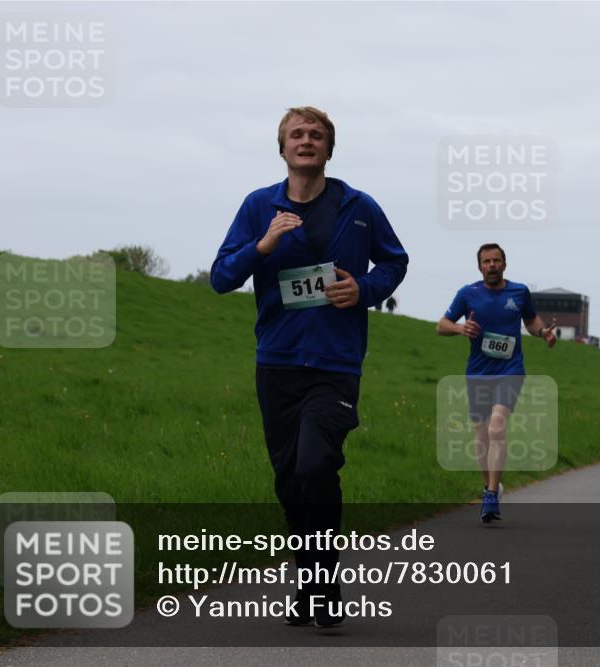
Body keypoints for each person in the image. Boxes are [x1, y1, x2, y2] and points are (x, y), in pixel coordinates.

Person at [211, 106, 408, 628]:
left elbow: (395, 261)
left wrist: (363, 289)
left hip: (336, 363)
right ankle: (309, 576)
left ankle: (325, 585)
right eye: (297, 134)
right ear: (282, 149)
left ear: (327, 149)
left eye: (316, 134)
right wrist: (264, 245)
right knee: (288, 481)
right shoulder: (259, 207)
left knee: (316, 465)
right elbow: (220, 277)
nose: (306, 140)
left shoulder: (359, 207)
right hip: (276, 362)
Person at [437, 243, 556, 522]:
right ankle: (490, 484)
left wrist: (543, 333)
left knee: (497, 427)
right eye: (486, 261)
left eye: (496, 260)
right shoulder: (468, 293)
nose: (491, 265)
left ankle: (490, 496)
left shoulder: (519, 291)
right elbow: (441, 324)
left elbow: (531, 320)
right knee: (481, 436)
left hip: (510, 370)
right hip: (478, 371)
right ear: (479, 266)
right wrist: (459, 327)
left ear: (505, 264)